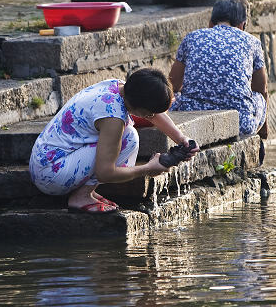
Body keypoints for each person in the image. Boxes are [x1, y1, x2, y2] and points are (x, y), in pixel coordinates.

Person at [29, 67, 198, 213]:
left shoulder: (119, 87)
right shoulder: (113, 118)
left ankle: (86, 190)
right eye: (149, 114)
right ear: (139, 108)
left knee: (129, 134)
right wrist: (147, 169)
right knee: (128, 140)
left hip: (45, 160)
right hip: (51, 175)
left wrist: (181, 138)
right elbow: (105, 172)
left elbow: (154, 115)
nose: (151, 117)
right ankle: (81, 197)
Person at [168, 0, 269, 140]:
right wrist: (263, 128)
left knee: (174, 96)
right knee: (260, 98)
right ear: (243, 25)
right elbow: (261, 89)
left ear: (210, 23)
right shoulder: (252, 42)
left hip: (191, 117)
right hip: (240, 124)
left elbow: (173, 84)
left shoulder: (192, 37)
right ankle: (260, 134)